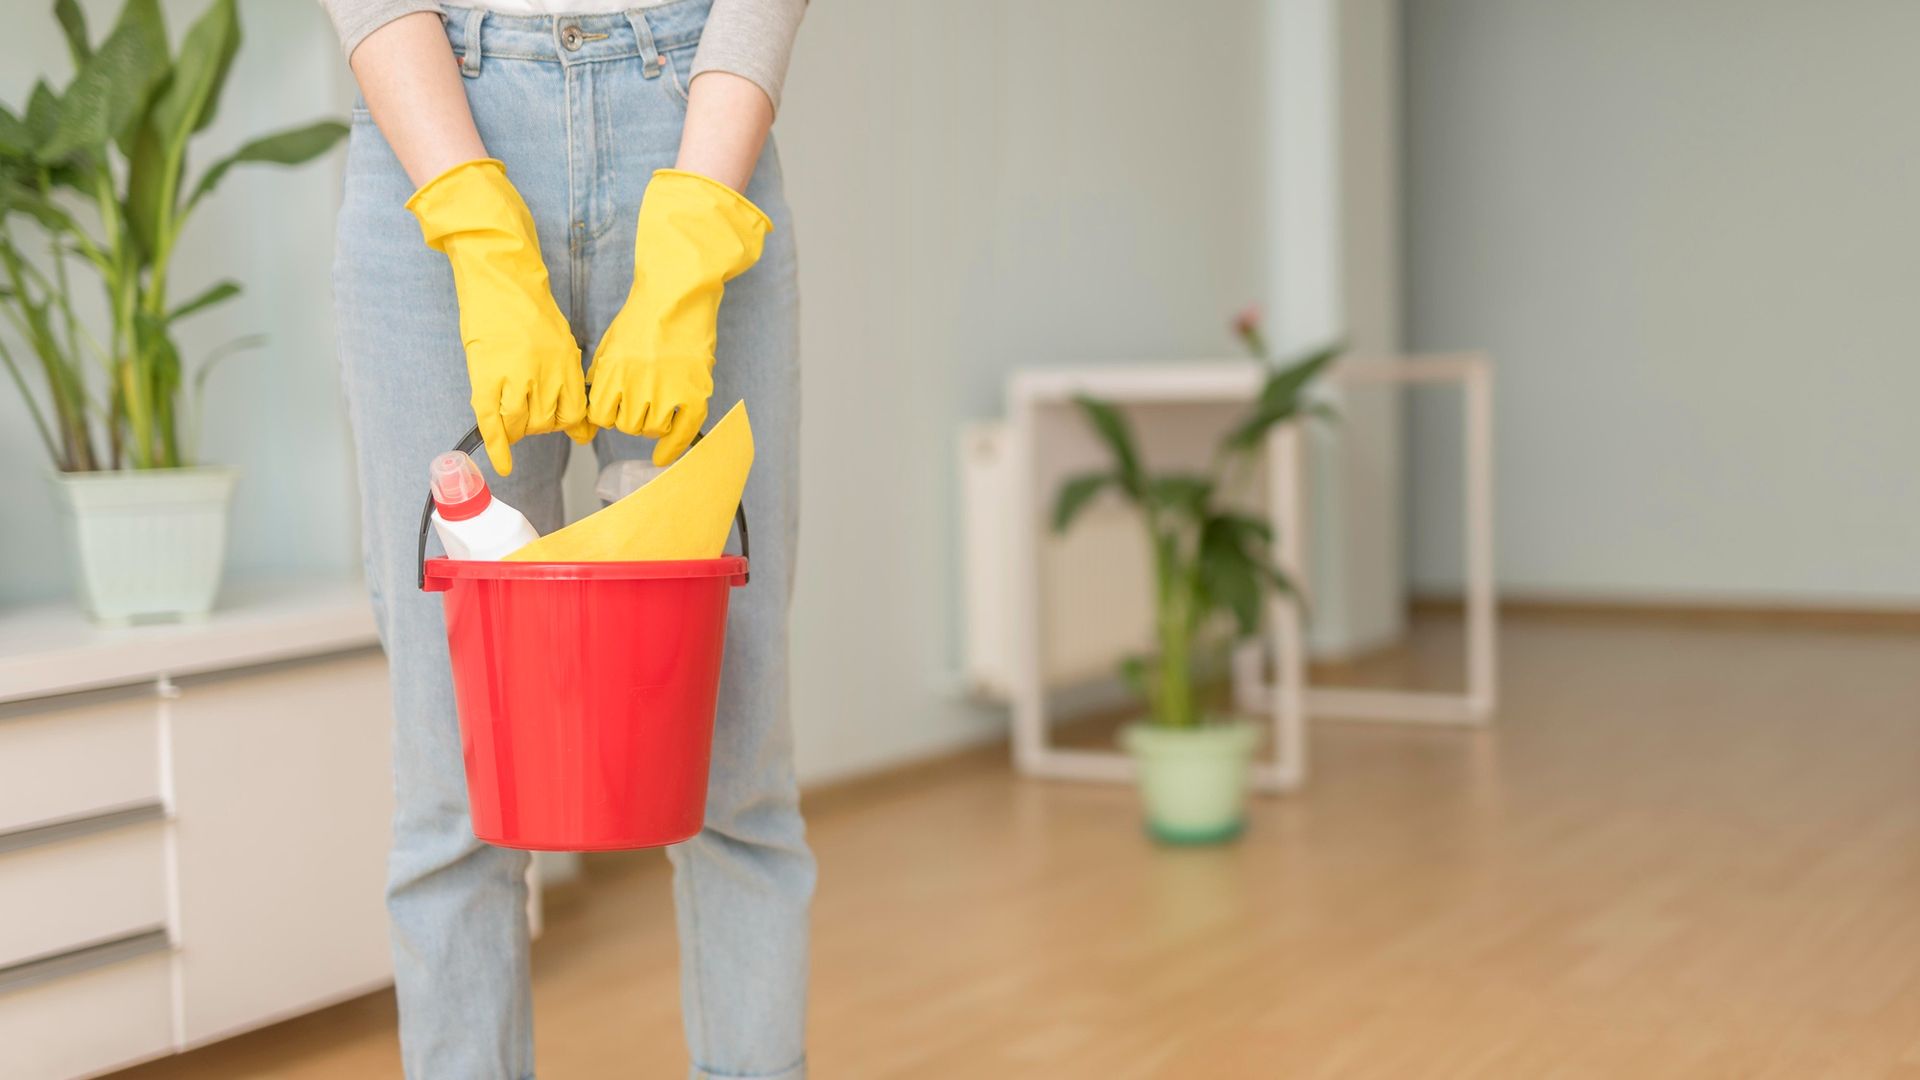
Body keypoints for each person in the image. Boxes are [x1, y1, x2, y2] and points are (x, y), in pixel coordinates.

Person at [319, 2, 812, 1077]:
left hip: (694, 120)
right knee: (454, 795)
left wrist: (692, 237)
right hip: (436, 124)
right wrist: (472, 219)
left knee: (739, 777)